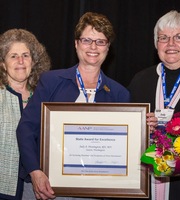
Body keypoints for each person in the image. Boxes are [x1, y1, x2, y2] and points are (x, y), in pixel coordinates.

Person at [16, 12, 130, 200]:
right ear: (76, 43)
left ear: (108, 47)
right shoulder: (51, 81)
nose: (93, 47)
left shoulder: (119, 94)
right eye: (87, 40)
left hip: (93, 192)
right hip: (46, 188)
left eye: (100, 41)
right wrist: (35, 172)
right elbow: (26, 128)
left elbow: (123, 149)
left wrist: (143, 127)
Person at [128, 10, 180, 200]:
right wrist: (140, 125)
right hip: (146, 184)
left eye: (179, 37)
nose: (170, 44)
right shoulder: (140, 80)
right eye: (163, 38)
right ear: (156, 44)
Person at [0, 29, 51, 200]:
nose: (20, 61)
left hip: (37, 188)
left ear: (34, 61)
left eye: (26, 55)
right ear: (2, 63)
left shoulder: (44, 96)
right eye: (13, 56)